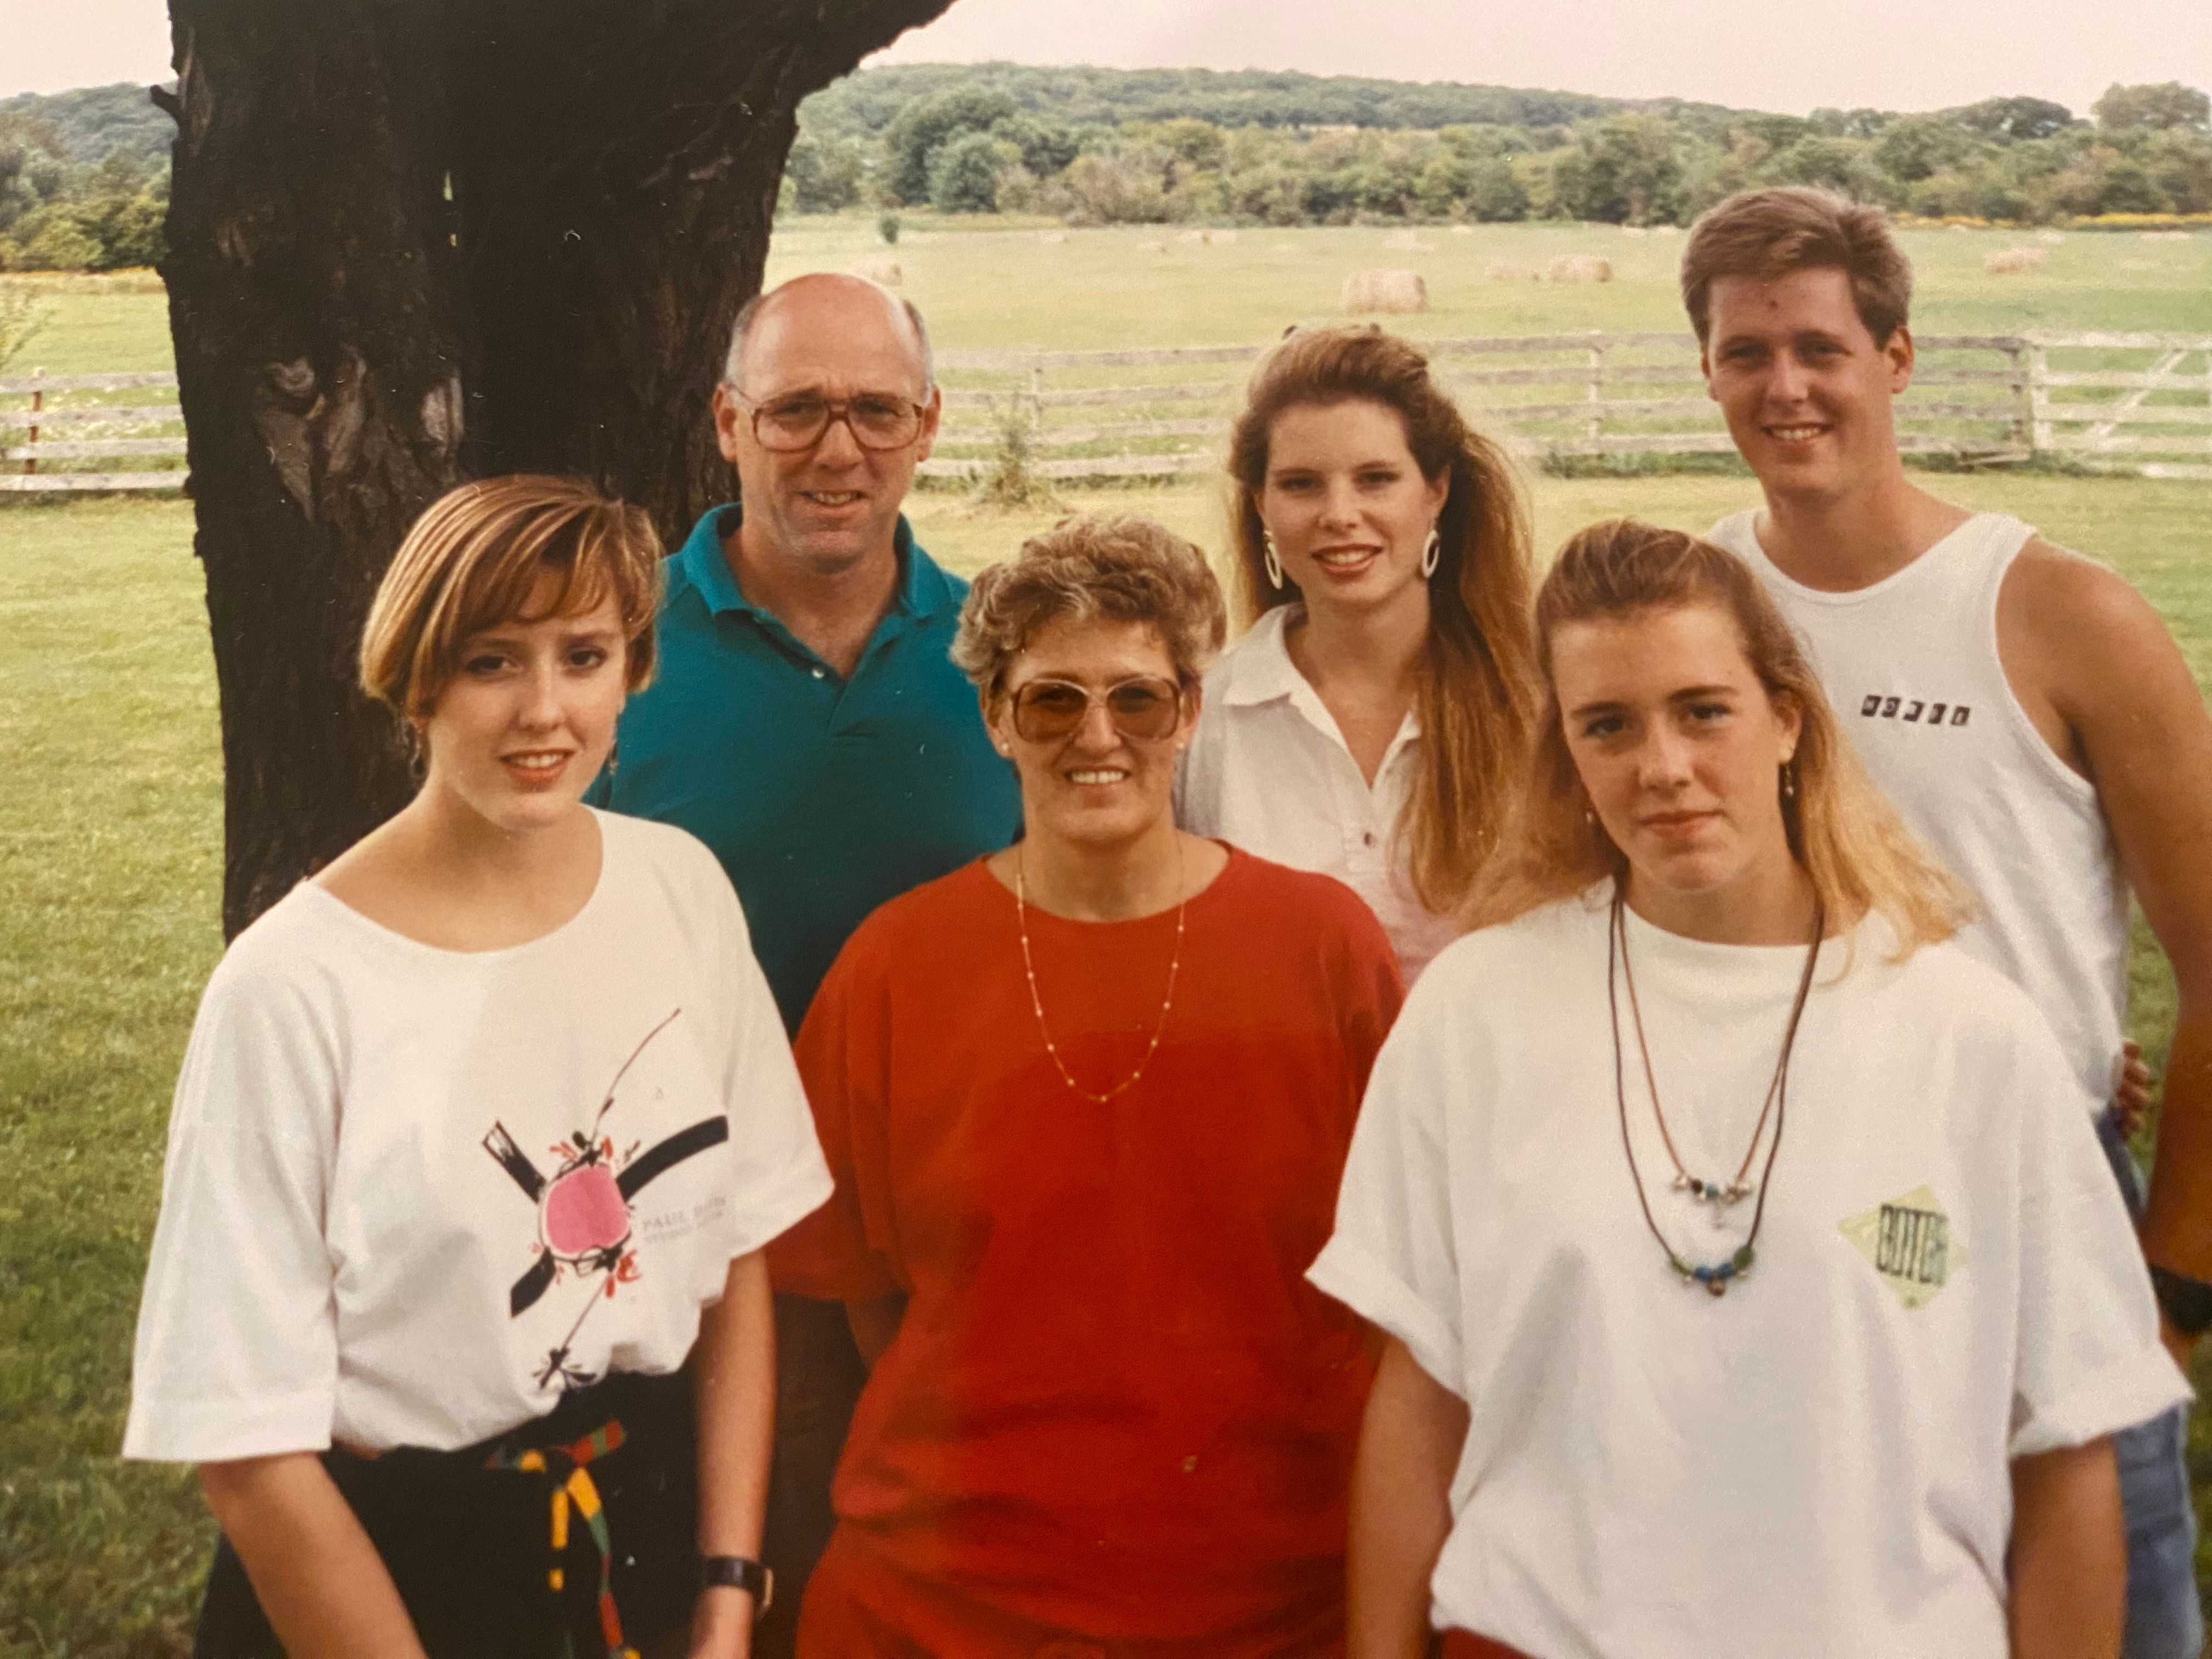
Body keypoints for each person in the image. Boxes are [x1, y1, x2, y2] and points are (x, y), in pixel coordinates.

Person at [1314, 518, 2188, 1659]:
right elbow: (1421, 1408)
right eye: (1608, 726)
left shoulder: (1973, 1041)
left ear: (1788, 718)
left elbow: (2067, 1456)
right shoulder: (1475, 1015)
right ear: (1566, 751)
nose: (1663, 768)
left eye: (1703, 710)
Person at [124, 476, 832, 1658]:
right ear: (415, 676)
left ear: (636, 670)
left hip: (645, 1542)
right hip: (389, 1575)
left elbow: (737, 1259)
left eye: (585, 655)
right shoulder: (295, 987)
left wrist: (724, 1591)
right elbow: (245, 1453)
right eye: (492, 661)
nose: (545, 711)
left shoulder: (681, 891)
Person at [1683, 185, 2212, 1658]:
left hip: (2040, 1205)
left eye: (1820, 347)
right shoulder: (1703, 610)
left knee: (2109, 1614)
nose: (1783, 387)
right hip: (1790, 1200)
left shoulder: (2061, 613)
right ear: (1709, 373)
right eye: (1744, 355)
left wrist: (2172, 1282)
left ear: (1896, 358)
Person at [769, 515, 1406, 1656]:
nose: (1095, 736)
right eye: (1051, 700)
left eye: (1138, 699)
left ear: (1192, 713)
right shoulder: (897, 967)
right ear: (994, 720)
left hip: (1273, 1601)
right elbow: (849, 1292)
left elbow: (1400, 1294)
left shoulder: (1322, 948)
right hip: (946, 1605)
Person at [589, 273, 1022, 1654]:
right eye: (795, 411)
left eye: (875, 410)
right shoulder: (612, 650)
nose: (839, 449)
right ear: (727, 420)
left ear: (929, 424)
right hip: (694, 1246)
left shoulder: (1002, 662)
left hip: (948, 1243)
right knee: (726, 1599)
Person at [1178, 324, 1541, 984]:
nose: (1340, 514)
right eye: (1302, 485)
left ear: (1436, 492)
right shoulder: (1202, 719)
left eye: (1376, 479)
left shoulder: (1536, 704)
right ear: (1261, 504)